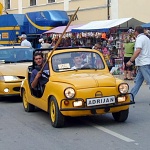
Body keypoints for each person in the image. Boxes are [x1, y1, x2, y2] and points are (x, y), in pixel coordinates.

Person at [126, 26, 150, 100]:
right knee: (138, 82)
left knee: (149, 81)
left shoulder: (139, 39)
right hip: (144, 62)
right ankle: (131, 97)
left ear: (136, 31)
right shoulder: (147, 38)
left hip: (143, 63)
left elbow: (138, 51)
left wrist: (130, 61)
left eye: (134, 32)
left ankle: (131, 97)